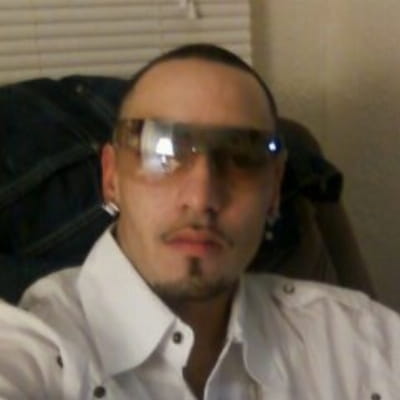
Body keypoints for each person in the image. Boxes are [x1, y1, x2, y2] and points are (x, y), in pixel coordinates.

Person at [0, 43, 399, 399]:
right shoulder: (37, 346)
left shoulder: (359, 341)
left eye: (242, 156)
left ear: (274, 188)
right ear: (111, 177)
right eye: (161, 151)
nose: (202, 197)